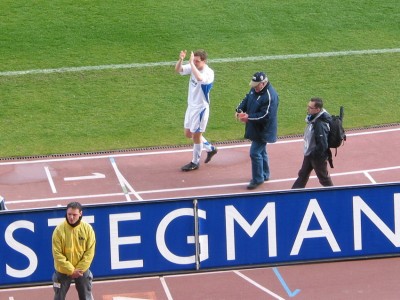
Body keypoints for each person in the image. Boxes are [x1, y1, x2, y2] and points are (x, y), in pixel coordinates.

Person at [175, 49, 218, 171]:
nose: (194, 63)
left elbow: (199, 78)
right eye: (194, 60)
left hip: (200, 109)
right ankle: (210, 149)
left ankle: (195, 162)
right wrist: (181, 60)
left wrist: (192, 65)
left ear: (204, 61)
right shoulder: (194, 66)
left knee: (196, 136)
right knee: (188, 134)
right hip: (191, 106)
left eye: (197, 61)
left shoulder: (209, 73)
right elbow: (178, 70)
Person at [235, 71, 279, 190]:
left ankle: (258, 179)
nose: (254, 87)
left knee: (255, 153)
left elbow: (265, 115)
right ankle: (265, 174)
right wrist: (239, 109)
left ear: (263, 83)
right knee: (261, 151)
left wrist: (248, 117)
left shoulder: (270, 96)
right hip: (256, 127)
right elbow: (247, 98)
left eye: (256, 85)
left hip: (264, 129)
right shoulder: (255, 89)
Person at [52, 202, 96, 300]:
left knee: (86, 296)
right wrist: (71, 270)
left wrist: (78, 270)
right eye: (69, 214)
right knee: (59, 297)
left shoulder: (87, 229)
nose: (71, 217)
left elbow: (90, 252)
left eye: (74, 215)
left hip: (82, 271)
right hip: (62, 271)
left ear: (80, 213)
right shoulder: (59, 230)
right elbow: (57, 254)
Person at [292, 97, 334, 189]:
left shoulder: (320, 124)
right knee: (303, 175)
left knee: (324, 179)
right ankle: (293, 193)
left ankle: (334, 193)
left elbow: (322, 145)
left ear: (318, 109)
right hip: (311, 153)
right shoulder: (314, 118)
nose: (308, 109)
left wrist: (314, 154)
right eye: (308, 106)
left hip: (317, 156)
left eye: (310, 107)